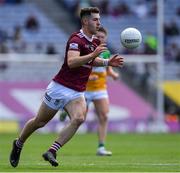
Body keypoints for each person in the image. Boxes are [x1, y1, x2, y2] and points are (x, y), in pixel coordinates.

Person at [9, 7, 124, 167]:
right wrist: (92, 55)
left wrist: (106, 62)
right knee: (39, 122)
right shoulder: (76, 39)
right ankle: (19, 143)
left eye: (99, 19)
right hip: (60, 87)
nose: (99, 22)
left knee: (79, 118)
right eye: (95, 19)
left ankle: (52, 150)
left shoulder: (95, 42)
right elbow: (72, 62)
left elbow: (91, 61)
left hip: (77, 92)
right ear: (85, 21)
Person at [60, 26, 119, 156]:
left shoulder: (106, 52)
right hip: (84, 89)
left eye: (102, 37)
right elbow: (81, 66)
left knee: (104, 116)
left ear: (106, 39)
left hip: (100, 89)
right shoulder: (87, 49)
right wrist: (89, 76)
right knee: (79, 119)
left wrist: (113, 74)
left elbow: (107, 67)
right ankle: (65, 109)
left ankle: (101, 147)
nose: (100, 39)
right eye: (98, 37)